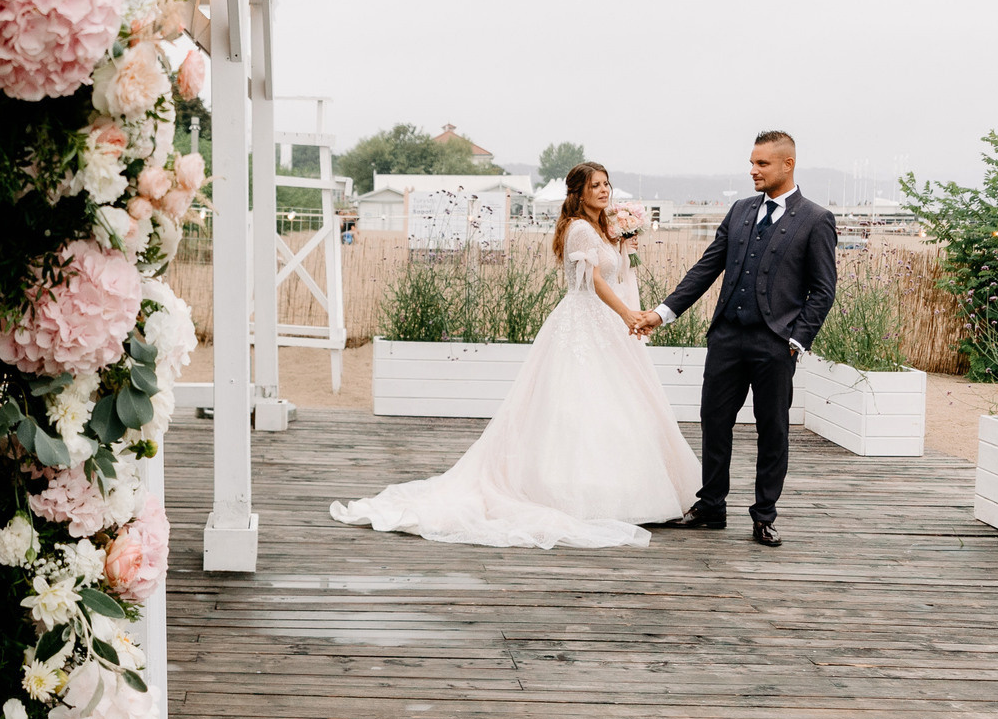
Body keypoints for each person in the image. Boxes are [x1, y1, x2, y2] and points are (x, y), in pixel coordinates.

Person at [332, 163, 699, 547]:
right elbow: (590, 281)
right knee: (577, 405)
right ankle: (570, 492)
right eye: (596, 185)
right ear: (579, 192)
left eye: (607, 184)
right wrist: (626, 314)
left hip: (604, 325)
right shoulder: (577, 229)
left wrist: (625, 247)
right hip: (582, 322)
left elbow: (617, 275)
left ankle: (622, 489)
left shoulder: (604, 229)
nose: (605, 190)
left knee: (617, 405)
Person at [640, 130, 837, 547]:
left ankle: (764, 515)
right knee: (714, 424)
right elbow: (705, 269)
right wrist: (662, 313)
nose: (753, 171)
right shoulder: (740, 211)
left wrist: (797, 341)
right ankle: (711, 506)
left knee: (773, 431)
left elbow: (822, 290)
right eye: (752, 162)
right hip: (727, 338)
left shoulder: (816, 220)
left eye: (762, 163)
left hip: (776, 344)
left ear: (788, 165)